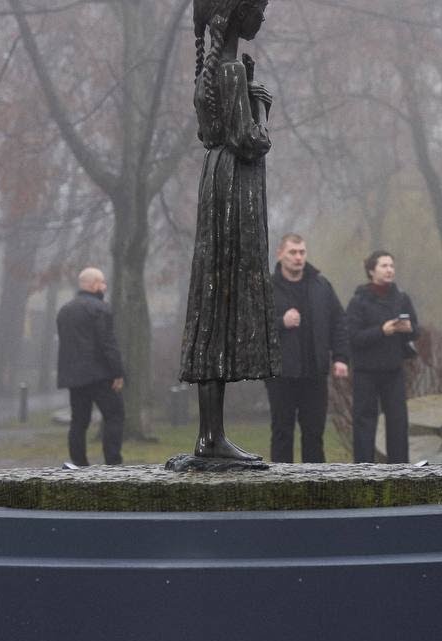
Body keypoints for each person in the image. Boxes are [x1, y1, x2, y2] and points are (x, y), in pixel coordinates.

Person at [179, 0, 280, 461]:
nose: (262, 16)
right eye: (259, 7)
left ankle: (210, 435)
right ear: (237, 13)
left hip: (215, 181)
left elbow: (209, 136)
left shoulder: (209, 72)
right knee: (223, 300)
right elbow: (250, 140)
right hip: (235, 189)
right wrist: (261, 108)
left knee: (212, 301)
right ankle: (211, 439)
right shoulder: (233, 72)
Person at [266, 233, 349, 462]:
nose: (298, 257)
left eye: (302, 252)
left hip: (315, 373)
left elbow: (339, 322)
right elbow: (251, 326)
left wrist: (341, 357)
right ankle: (281, 481)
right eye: (292, 252)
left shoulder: (321, 285)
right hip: (281, 374)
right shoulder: (267, 288)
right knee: (282, 432)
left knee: (314, 434)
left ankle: (314, 482)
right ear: (280, 254)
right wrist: (281, 322)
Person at [345, 251, 417, 463]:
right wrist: (381, 331)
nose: (389, 270)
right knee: (364, 424)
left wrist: (409, 329)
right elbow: (353, 337)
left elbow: (416, 330)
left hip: (394, 370)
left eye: (392, 266)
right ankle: (363, 471)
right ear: (371, 271)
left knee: (398, 423)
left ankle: (399, 471)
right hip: (366, 372)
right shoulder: (358, 301)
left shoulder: (402, 298)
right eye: (384, 266)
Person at [56, 267, 125, 466]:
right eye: (102, 282)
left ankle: (79, 463)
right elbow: (108, 343)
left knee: (79, 421)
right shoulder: (100, 309)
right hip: (100, 375)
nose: (104, 286)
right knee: (115, 415)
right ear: (94, 284)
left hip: (74, 377)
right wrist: (118, 372)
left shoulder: (64, 311)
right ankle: (113, 463)